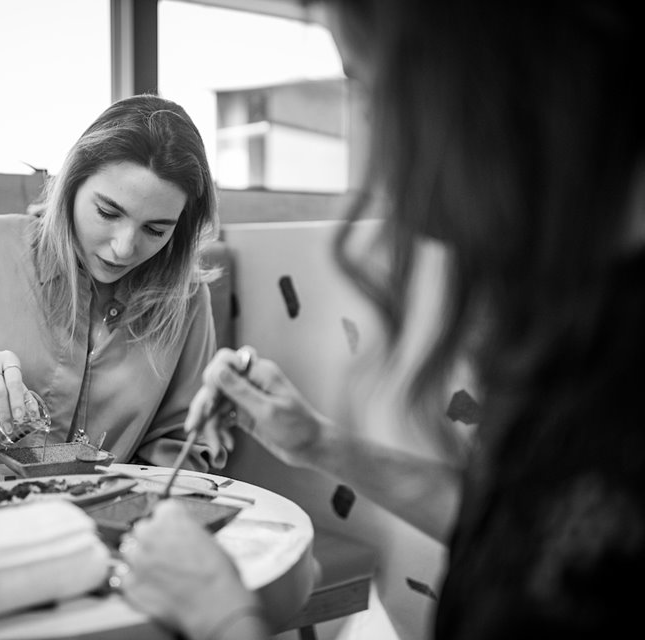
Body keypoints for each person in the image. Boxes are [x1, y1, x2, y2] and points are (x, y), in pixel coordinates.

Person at [116, 1, 645, 639]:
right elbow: (524, 529)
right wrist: (316, 443)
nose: (374, 140)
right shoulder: (582, 318)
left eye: (371, 88)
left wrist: (221, 616)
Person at [0, 94, 230, 471]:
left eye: (155, 230)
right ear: (73, 185)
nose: (124, 249)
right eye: (107, 213)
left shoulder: (187, 297)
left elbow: (183, 443)